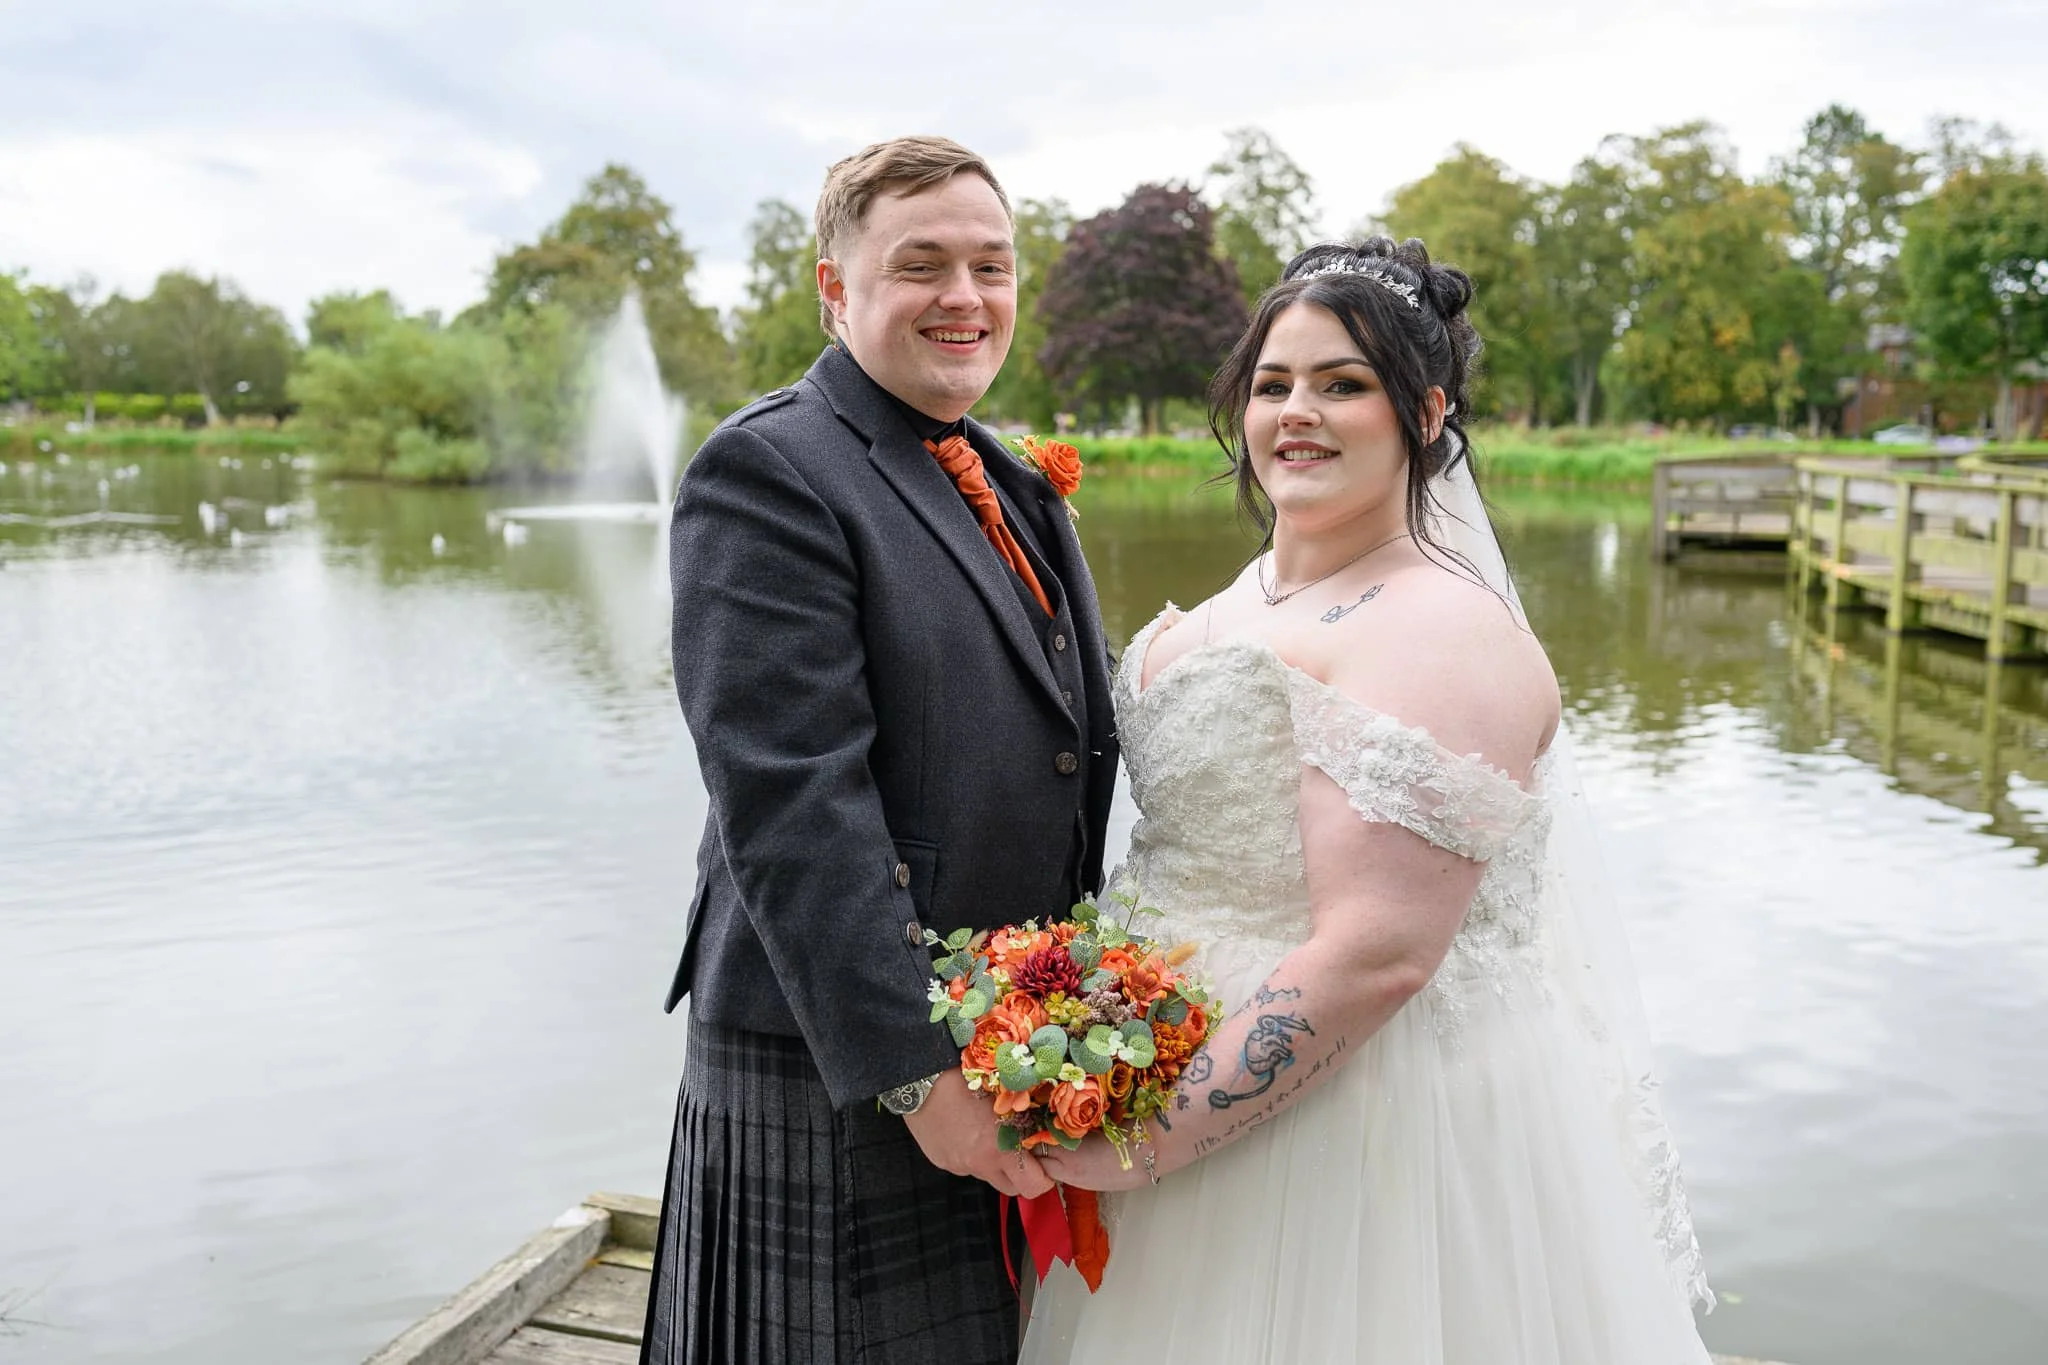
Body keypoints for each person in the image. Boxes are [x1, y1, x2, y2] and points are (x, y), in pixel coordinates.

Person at [1024, 238, 1715, 1363]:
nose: (1296, 412)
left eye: (1341, 384)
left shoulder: (1438, 629)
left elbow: (1376, 955)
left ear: (1424, 412)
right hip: (1164, 1087)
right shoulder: (1229, 606)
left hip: (1355, 1138)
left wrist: (1138, 1142)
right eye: (1271, 384)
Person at [641, 137, 1119, 1365]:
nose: (964, 296)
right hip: (841, 1051)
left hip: (1010, 1037)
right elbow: (790, 799)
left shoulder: (1015, 478)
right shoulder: (770, 470)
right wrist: (918, 1076)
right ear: (834, 288)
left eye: (990, 266)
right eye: (922, 265)